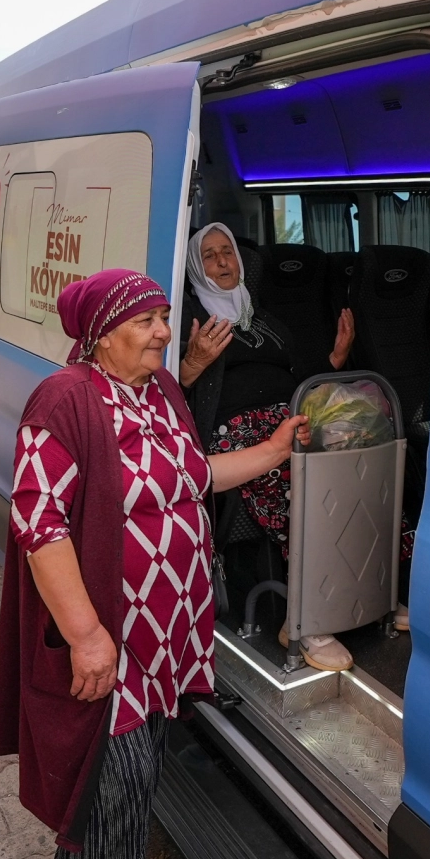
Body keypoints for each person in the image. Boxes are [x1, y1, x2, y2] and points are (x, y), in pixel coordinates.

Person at [0, 269, 310, 859]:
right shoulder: (64, 401)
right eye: (146, 322)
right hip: (112, 642)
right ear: (101, 333)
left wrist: (271, 451)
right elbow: (40, 526)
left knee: (134, 788)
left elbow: (196, 475)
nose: (165, 333)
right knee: (103, 795)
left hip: (164, 639)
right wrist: (85, 635)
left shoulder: (161, 394)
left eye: (164, 317)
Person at [178, 223, 358, 670]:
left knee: (359, 460)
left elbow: (299, 375)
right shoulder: (187, 322)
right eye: (210, 256)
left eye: (228, 253)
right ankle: (304, 620)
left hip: (288, 419)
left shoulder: (266, 320)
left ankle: (374, 589)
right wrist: (192, 364)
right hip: (229, 434)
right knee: (301, 482)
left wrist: (334, 360)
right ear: (194, 271)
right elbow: (165, 393)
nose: (223, 262)